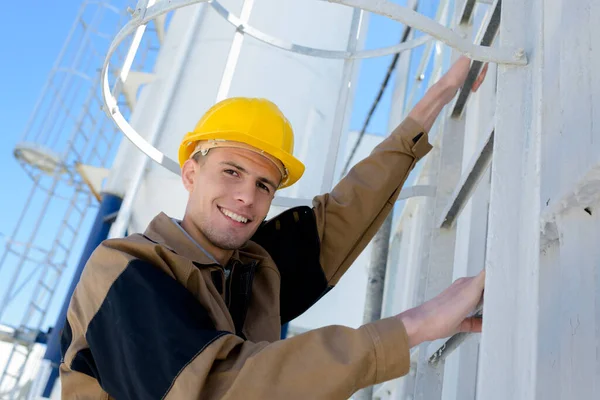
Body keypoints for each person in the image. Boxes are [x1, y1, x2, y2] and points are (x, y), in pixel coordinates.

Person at [59, 56, 488, 399]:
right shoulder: (123, 268)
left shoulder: (249, 273)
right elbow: (214, 388)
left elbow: (343, 215)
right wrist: (415, 325)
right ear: (190, 174)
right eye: (231, 171)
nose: (247, 196)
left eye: (264, 184)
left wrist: (436, 99)